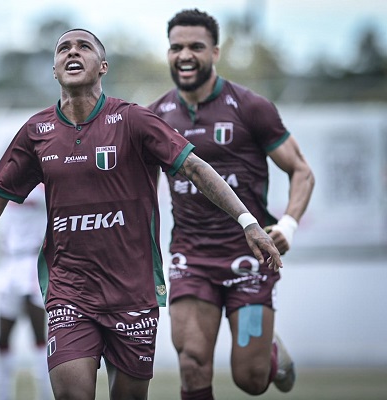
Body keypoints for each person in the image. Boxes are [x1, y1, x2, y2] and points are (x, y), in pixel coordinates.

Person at [0, 28, 282, 400]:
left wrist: (248, 222)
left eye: (84, 47)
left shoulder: (134, 120)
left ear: (103, 66)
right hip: (70, 291)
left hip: (132, 293)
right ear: (54, 69)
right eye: (63, 48)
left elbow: (195, 168)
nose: (72, 52)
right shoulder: (36, 132)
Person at [148, 9, 315, 400]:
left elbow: (302, 171)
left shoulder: (250, 107)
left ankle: (270, 352)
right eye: (176, 47)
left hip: (249, 256)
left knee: (251, 380)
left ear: (215, 52)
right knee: (192, 363)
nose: (184, 55)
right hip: (191, 257)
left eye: (195, 46)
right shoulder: (156, 116)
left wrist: (288, 224)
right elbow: (139, 189)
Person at [0, 184, 51, 400]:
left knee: (39, 336)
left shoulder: (45, 186)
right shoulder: (7, 183)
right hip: (10, 264)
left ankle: (45, 395)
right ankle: (2, 395)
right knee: (2, 337)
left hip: (32, 261)